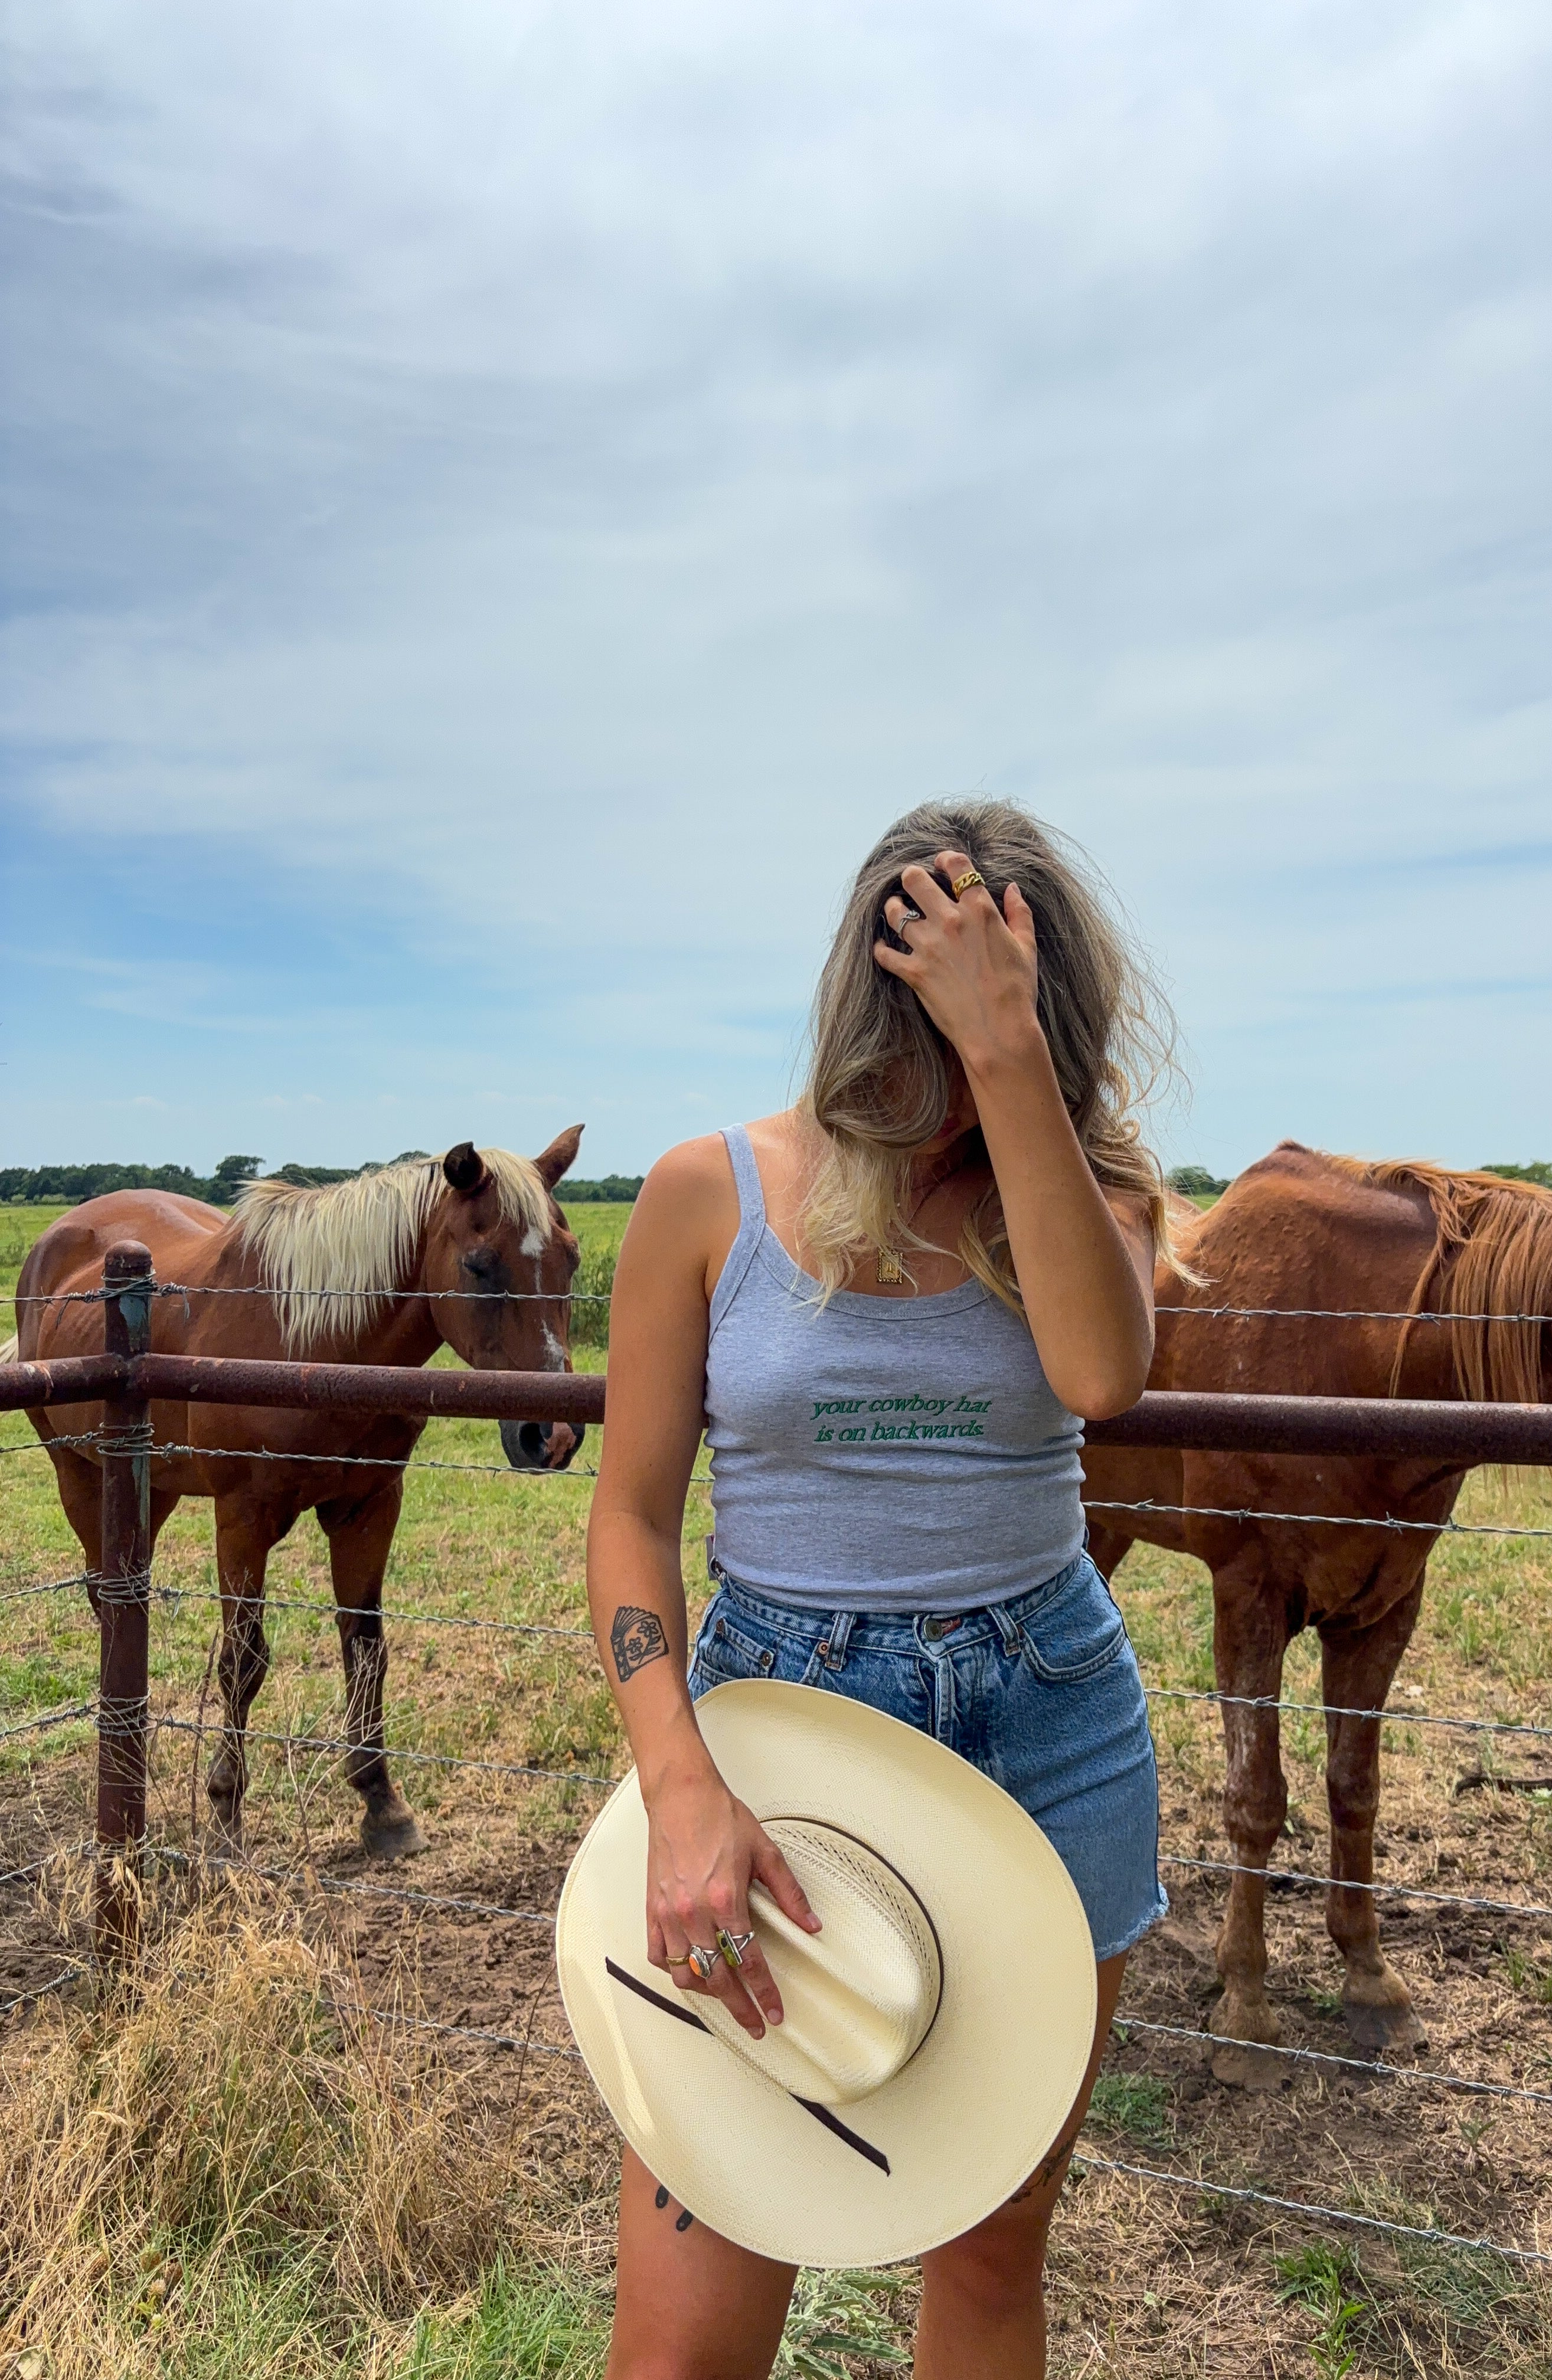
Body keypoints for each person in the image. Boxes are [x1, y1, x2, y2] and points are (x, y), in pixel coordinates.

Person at [586, 801, 1178, 2380]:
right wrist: (681, 1789)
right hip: (774, 1733)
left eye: (1005, 1000)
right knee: (694, 2314)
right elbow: (631, 1521)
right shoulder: (705, 1195)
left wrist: (1007, 1065)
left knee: (987, 2257)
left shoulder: (1090, 1191)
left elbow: (1101, 1374)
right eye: (935, 996)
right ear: (873, 981)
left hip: (1048, 1728)